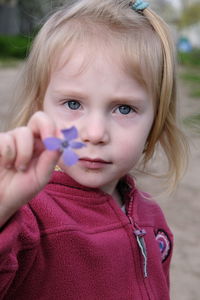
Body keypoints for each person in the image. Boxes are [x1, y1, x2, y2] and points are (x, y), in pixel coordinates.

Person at [0, 0, 188, 299]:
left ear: (156, 120)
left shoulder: (150, 215)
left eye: (124, 108)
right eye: (73, 103)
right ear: (40, 108)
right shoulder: (25, 217)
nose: (95, 133)